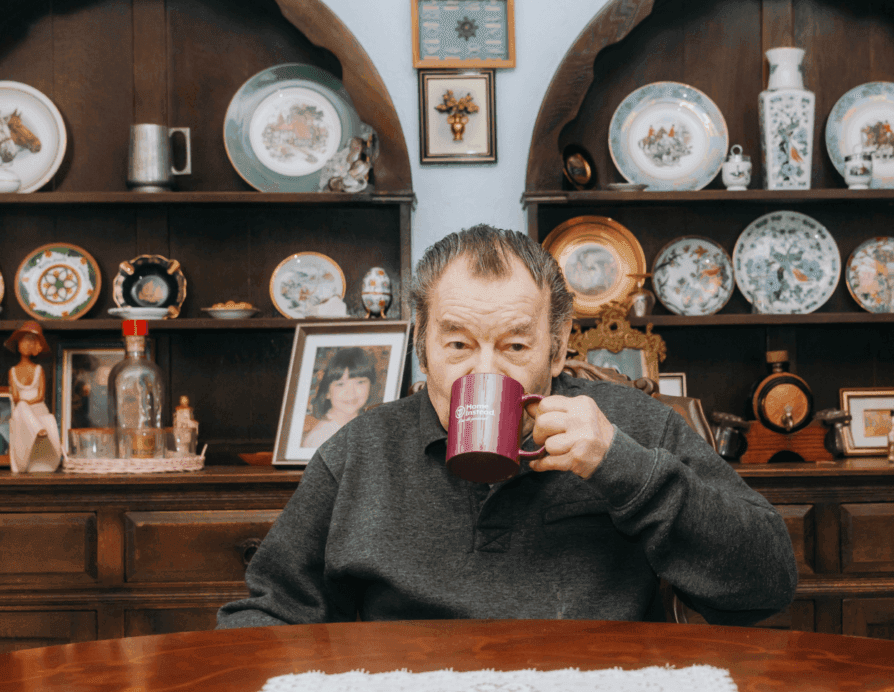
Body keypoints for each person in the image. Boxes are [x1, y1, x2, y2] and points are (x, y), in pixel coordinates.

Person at [217, 225, 796, 629]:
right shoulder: (361, 452)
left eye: (516, 345)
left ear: (558, 346)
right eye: (459, 345)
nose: (485, 369)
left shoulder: (632, 428)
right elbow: (271, 611)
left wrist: (623, 468)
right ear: (423, 347)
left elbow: (765, 585)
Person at [5, 321, 61, 474]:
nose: (26, 345)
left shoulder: (38, 369)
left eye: (30, 341)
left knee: (23, 406)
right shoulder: (13, 371)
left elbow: (40, 395)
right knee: (21, 407)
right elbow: (16, 397)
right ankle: (38, 430)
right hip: (22, 412)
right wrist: (24, 404)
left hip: (37, 409)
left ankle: (39, 431)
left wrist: (27, 404)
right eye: (23, 341)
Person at [300, 347, 379, 448]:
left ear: (371, 386)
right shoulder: (321, 439)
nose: (351, 392)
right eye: (341, 384)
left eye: (360, 382)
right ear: (327, 391)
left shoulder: (361, 424)